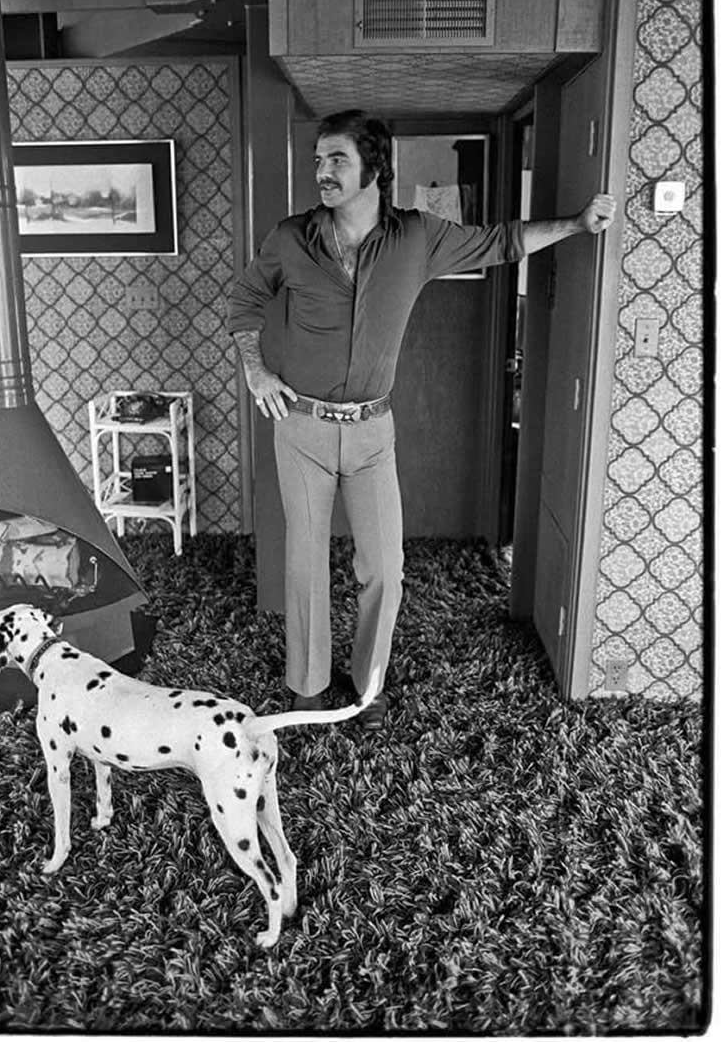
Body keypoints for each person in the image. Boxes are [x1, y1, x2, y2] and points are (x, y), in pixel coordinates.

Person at [227, 110, 616, 728]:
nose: (322, 172)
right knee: (305, 561)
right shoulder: (290, 238)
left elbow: (501, 241)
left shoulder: (417, 237)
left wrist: (574, 223)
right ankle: (306, 685)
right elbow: (245, 300)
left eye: (337, 160)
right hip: (299, 425)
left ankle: (367, 683)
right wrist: (255, 370)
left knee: (384, 566)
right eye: (318, 160)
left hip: (373, 432)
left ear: (373, 168)